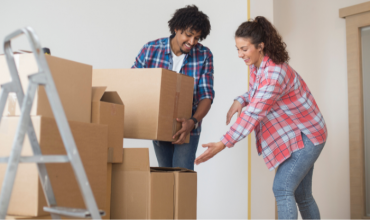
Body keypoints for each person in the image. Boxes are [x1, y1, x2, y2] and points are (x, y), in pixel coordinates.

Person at [194, 16, 327, 219]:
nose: (240, 54)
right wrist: (241, 99)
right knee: (302, 194)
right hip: (297, 134)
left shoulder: (274, 72)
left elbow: (255, 112)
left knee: (282, 188)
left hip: (307, 135)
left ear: (260, 46)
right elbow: (257, 94)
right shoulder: (259, 66)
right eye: (237, 49)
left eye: (244, 49)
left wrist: (222, 144)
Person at [132, 5, 215, 171]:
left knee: (181, 175)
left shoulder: (204, 55)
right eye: (188, 35)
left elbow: (206, 95)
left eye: (197, 38)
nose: (192, 42)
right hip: (159, 122)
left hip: (188, 126)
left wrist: (192, 122)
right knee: (165, 175)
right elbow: (133, 83)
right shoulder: (151, 50)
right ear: (177, 28)